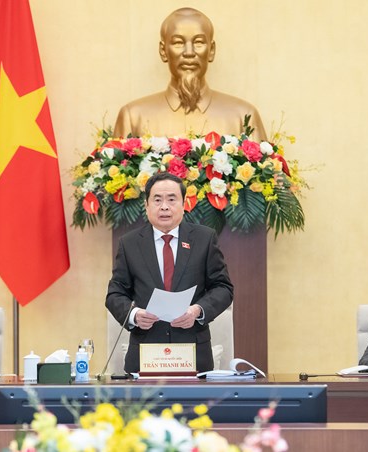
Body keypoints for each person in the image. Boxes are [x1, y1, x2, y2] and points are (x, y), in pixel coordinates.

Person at [105, 172, 233, 373]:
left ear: (184, 205)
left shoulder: (204, 239)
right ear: (146, 206)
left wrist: (197, 310)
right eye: (157, 200)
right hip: (145, 354)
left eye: (171, 199)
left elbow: (223, 288)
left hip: (193, 353)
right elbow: (115, 293)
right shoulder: (129, 244)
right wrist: (135, 315)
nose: (164, 206)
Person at [113, 7, 266, 140]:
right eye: (178, 43)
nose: (189, 52)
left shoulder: (243, 116)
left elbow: (270, 172)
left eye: (198, 42)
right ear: (163, 51)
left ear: (211, 50)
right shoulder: (132, 117)